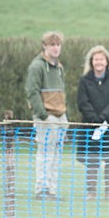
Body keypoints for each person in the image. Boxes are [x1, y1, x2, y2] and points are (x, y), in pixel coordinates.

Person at [76, 45, 109, 200]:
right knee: (92, 160)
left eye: (101, 59)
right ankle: (91, 192)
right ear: (91, 62)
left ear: (107, 62)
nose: (98, 62)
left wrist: (104, 116)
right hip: (90, 127)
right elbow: (82, 102)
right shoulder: (84, 81)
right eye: (96, 59)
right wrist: (94, 119)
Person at [25, 30, 69, 200]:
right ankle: (41, 189)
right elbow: (32, 91)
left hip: (60, 116)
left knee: (57, 154)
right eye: (52, 45)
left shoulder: (59, 67)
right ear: (44, 46)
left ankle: (51, 190)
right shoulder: (37, 66)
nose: (56, 48)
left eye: (58, 44)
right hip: (46, 117)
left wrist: (63, 115)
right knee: (45, 153)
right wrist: (42, 115)